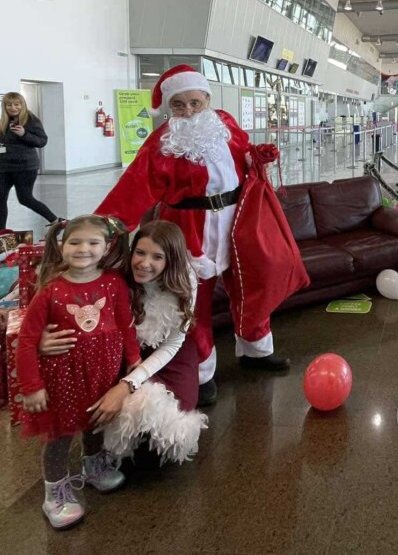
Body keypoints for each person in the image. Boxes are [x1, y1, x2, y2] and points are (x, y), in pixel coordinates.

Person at [96, 65, 310, 409]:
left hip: (237, 223)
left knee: (250, 286)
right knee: (194, 305)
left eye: (195, 102)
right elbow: (133, 188)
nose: (189, 112)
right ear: (169, 108)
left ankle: (256, 350)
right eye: (179, 105)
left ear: (208, 99)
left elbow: (242, 157)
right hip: (187, 231)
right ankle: (203, 373)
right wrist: (100, 228)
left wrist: (258, 156)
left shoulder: (225, 125)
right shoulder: (162, 144)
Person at [41, 221, 209, 465]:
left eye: (157, 257)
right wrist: (42, 336)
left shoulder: (184, 281)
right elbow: (65, 294)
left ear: (170, 261)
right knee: (105, 404)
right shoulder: (114, 275)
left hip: (167, 353)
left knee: (171, 422)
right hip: (116, 349)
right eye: (140, 253)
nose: (145, 263)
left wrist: (127, 385)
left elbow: (173, 344)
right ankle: (95, 453)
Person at [16, 215, 139, 530]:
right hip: (63, 380)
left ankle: (93, 465)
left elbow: (126, 324)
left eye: (93, 242)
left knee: (96, 424)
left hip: (102, 376)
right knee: (59, 436)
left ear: (106, 246)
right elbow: (27, 342)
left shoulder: (113, 284)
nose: (83, 249)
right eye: (75, 242)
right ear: (61, 245)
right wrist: (31, 387)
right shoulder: (50, 292)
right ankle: (54, 492)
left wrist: (133, 360)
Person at [0, 92, 58, 231]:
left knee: (25, 198)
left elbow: (42, 141)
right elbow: (0, 146)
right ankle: (0, 233)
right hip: (3, 168)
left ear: (22, 105)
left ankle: (55, 220)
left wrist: (24, 134)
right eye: (9, 105)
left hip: (25, 167)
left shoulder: (31, 120)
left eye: (16, 104)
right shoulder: (1, 123)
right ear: (4, 106)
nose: (13, 108)